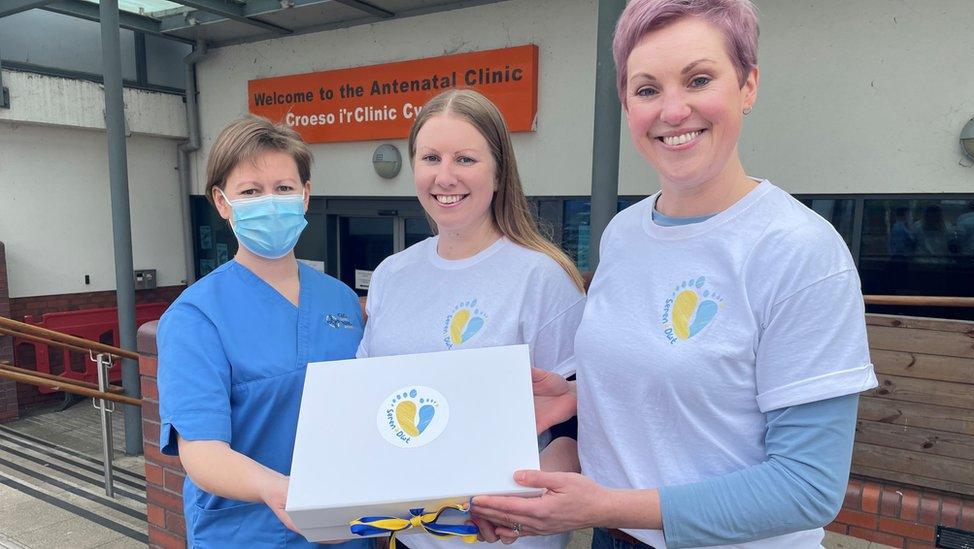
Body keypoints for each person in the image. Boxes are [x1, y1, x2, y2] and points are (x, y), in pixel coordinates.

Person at [471, 1, 878, 548]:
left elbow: (807, 487)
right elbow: (677, 395)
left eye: (699, 79)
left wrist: (607, 504)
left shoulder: (798, 251)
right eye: (647, 89)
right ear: (626, 104)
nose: (673, 110)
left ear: (749, 84)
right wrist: (579, 393)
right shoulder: (622, 233)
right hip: (614, 539)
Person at [356, 89, 586, 549]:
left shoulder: (542, 277)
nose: (445, 176)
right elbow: (370, 397)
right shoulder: (391, 275)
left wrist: (520, 507)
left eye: (465, 159)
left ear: (499, 172)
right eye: (430, 158)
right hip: (406, 536)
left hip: (503, 538)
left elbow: (578, 424)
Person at [156, 116, 370, 548]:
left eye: (284, 188)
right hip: (249, 533)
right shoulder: (196, 316)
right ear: (221, 202)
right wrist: (279, 490)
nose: (270, 203)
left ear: (306, 195)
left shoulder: (342, 301)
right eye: (251, 191)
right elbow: (201, 453)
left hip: (343, 530)